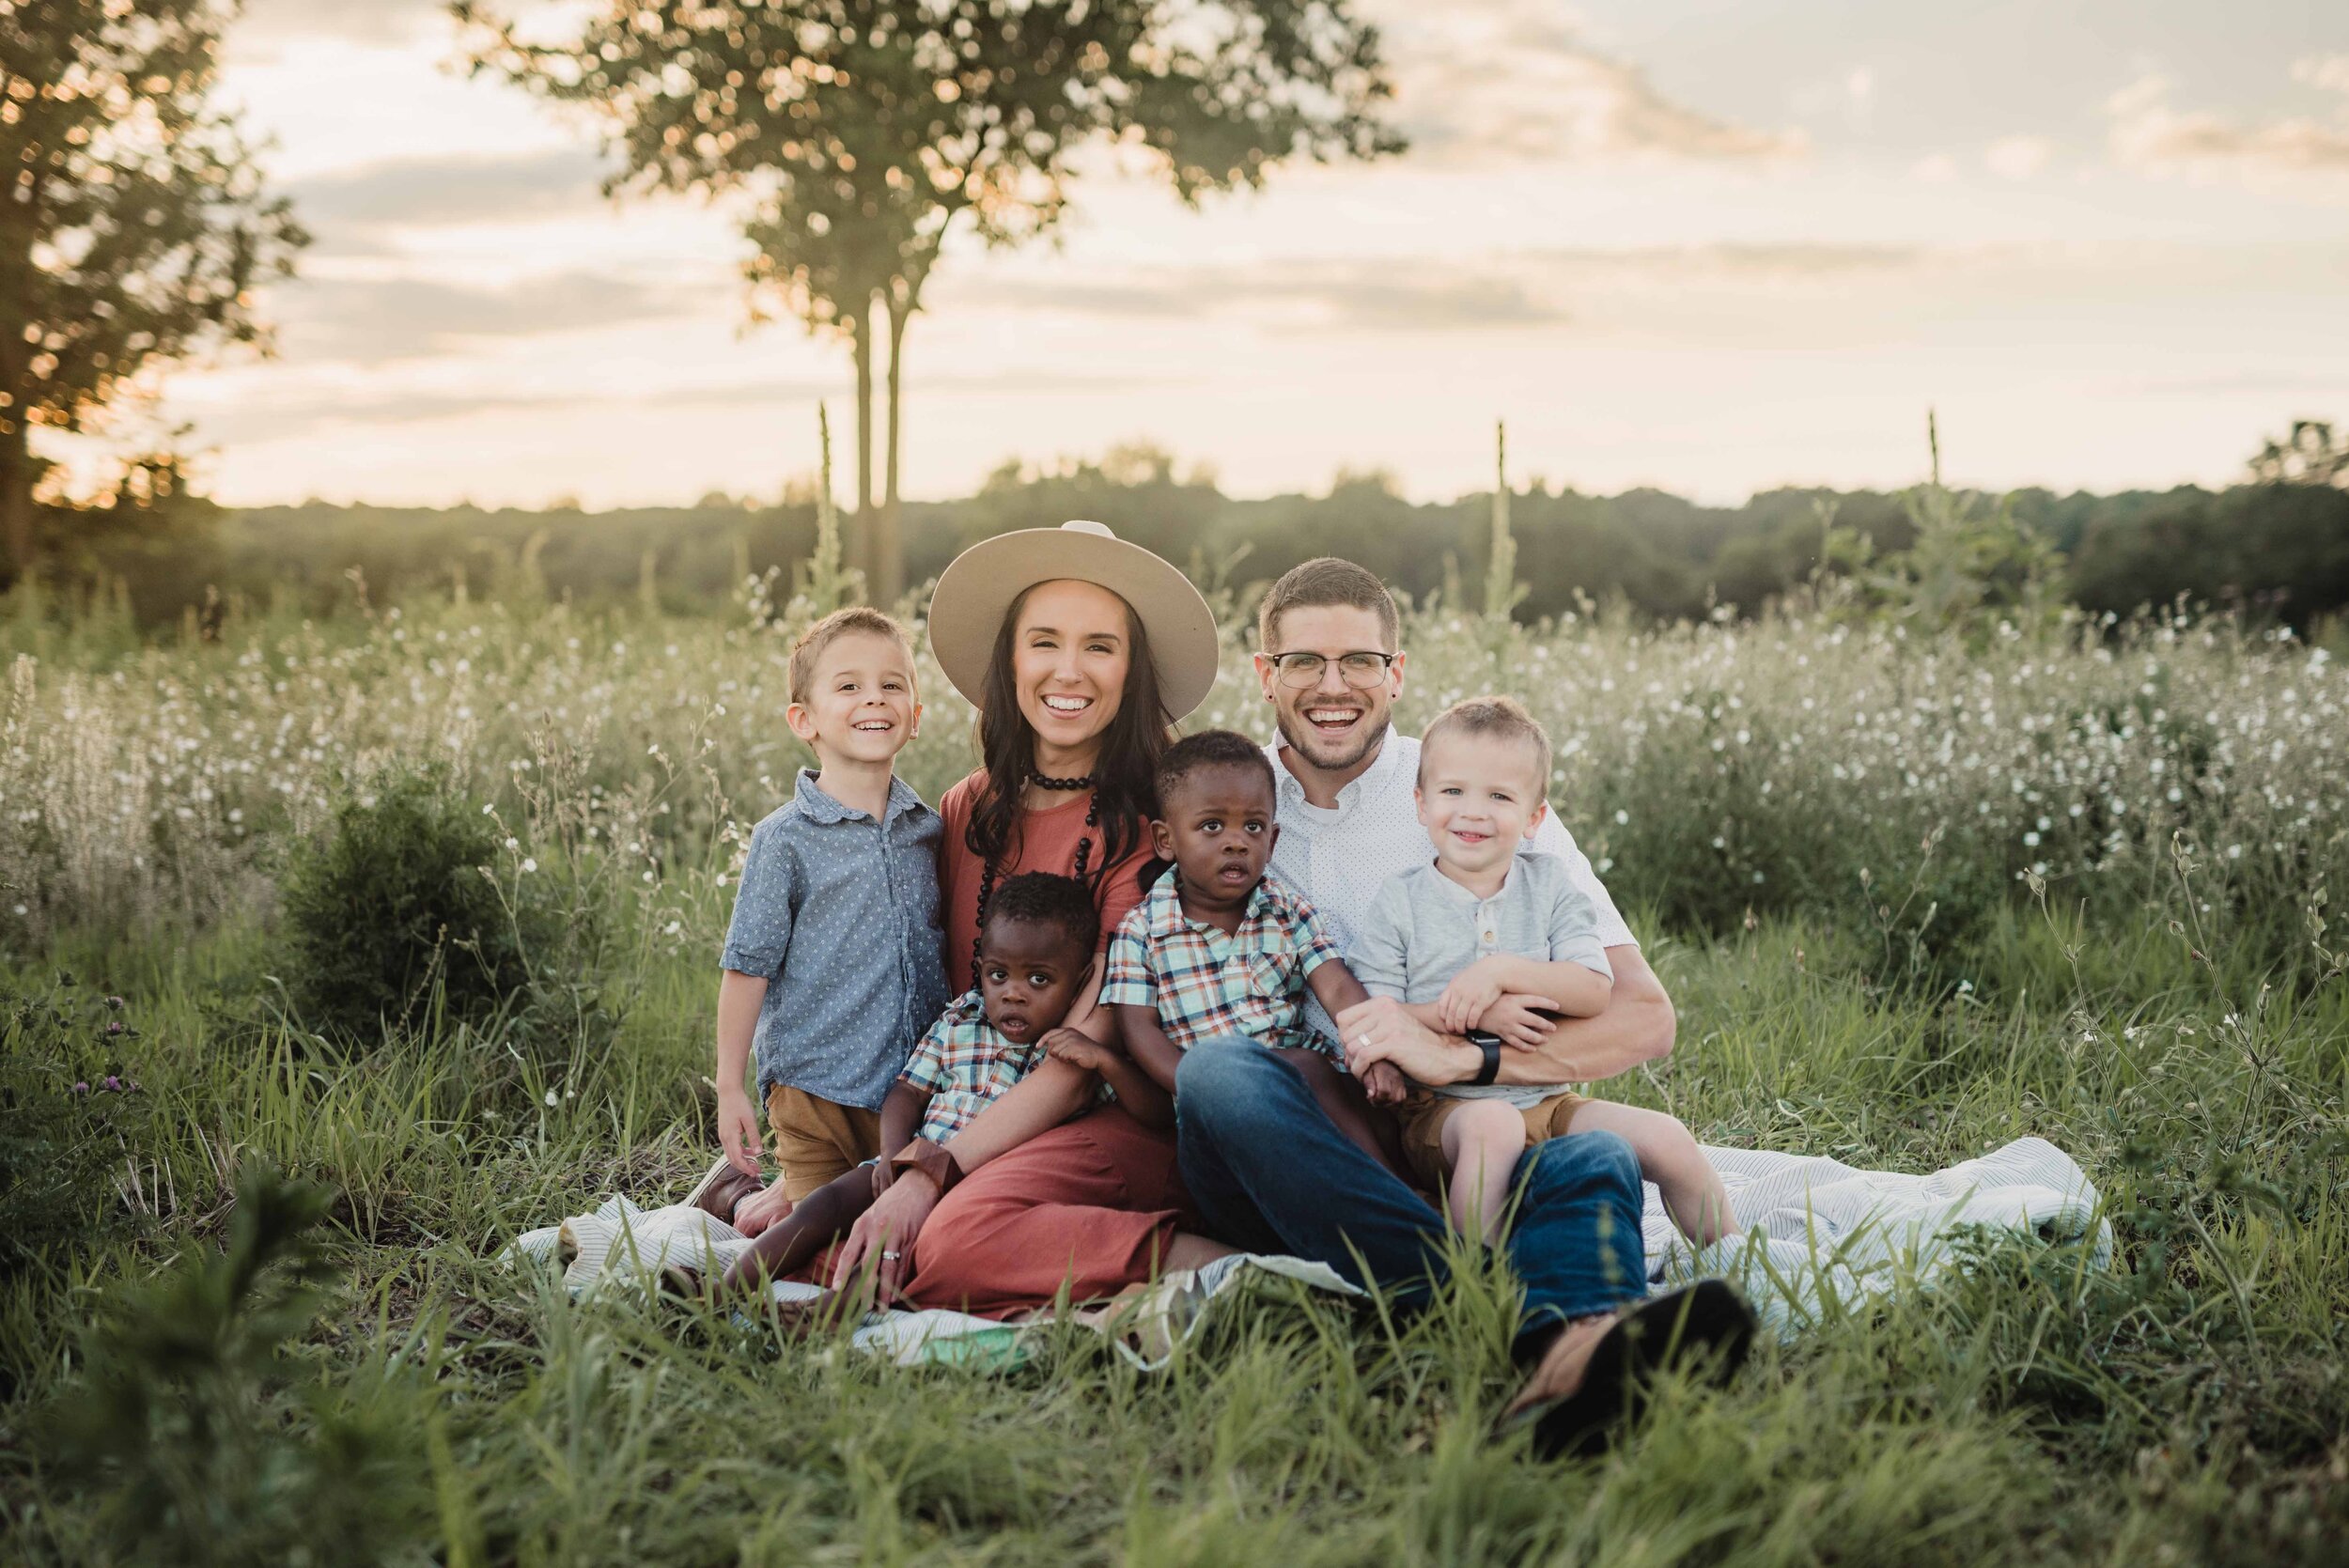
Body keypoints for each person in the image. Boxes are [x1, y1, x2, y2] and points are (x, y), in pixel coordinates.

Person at [1172, 558, 1754, 1452]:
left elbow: (1644, 1017)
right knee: (1219, 1077)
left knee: (1593, 1151)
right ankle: (1497, 1296)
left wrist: (1473, 1063)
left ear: (1396, 673)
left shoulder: (1472, 785)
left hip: (1472, 1137)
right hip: (1317, 1151)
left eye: (1360, 661)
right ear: (1266, 674)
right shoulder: (1226, 800)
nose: (1334, 687)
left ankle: (1567, 1352)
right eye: (1304, 662)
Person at [825, 520, 1232, 1316]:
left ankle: (1230, 1272)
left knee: (947, 1240)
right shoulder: (966, 808)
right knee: (858, 1238)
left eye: (1100, 646)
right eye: (1044, 641)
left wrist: (931, 1171)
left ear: (1132, 668)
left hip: (1119, 1119)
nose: (1068, 670)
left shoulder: (1154, 822)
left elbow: (1087, 1052)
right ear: (1010, 659)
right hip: (982, 1109)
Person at [1352, 695, 1737, 1247]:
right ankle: (1476, 1279)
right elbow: (1384, 1019)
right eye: (1453, 791)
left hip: (1549, 1101)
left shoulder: (1551, 886)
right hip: (1446, 1115)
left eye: (1500, 796)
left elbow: (1593, 990)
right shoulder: (1400, 902)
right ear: (1420, 802)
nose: (1474, 811)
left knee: (1667, 1136)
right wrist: (1471, 1013)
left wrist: (1503, 971)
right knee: (1496, 1127)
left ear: (1535, 817)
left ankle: (1739, 1266)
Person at [717, 874, 1171, 1302]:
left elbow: (1155, 1113)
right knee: (825, 1205)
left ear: (1080, 983)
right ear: (981, 967)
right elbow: (907, 1093)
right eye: (999, 975)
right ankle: (722, 1293)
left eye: (1039, 979)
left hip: (984, 1185)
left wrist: (1107, 1062)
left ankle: (843, 1307)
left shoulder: (1069, 1054)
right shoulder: (962, 1019)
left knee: (906, 1252)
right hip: (911, 1160)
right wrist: (892, 1158)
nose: (1014, 993)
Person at [686, 608, 951, 1232]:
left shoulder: (930, 831)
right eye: (849, 685)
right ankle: (764, 1205)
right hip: (815, 1088)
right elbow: (746, 967)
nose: (874, 699)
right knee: (824, 1231)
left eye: (893, 684)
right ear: (804, 719)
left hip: (911, 1091)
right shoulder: (785, 839)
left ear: (914, 717)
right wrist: (729, 1087)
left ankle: (761, 1199)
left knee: (900, 1223)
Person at [1098, 729, 1405, 1165]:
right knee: (1308, 1069)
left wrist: (1375, 1052)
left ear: (1272, 840)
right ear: (1166, 840)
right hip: (1219, 1107)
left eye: (1253, 826)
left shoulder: (1287, 910)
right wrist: (1202, 1086)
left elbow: (1336, 987)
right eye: (1212, 825)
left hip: (1308, 1090)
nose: (1236, 841)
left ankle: (1385, 1192)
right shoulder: (1142, 931)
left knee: (1369, 1100)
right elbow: (1140, 1032)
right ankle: (1393, 1200)